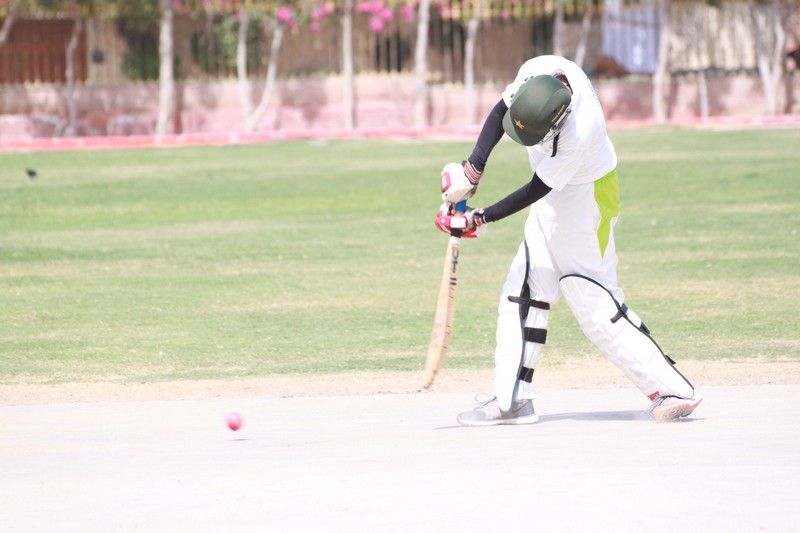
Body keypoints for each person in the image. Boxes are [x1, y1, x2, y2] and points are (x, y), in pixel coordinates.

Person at [435, 55, 702, 425]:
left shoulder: (580, 130)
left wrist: (480, 217)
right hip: (554, 198)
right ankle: (512, 400)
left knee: (591, 299)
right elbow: (501, 110)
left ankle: (673, 390)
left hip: (588, 199)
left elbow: (537, 188)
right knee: (524, 289)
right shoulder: (536, 70)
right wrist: (472, 169)